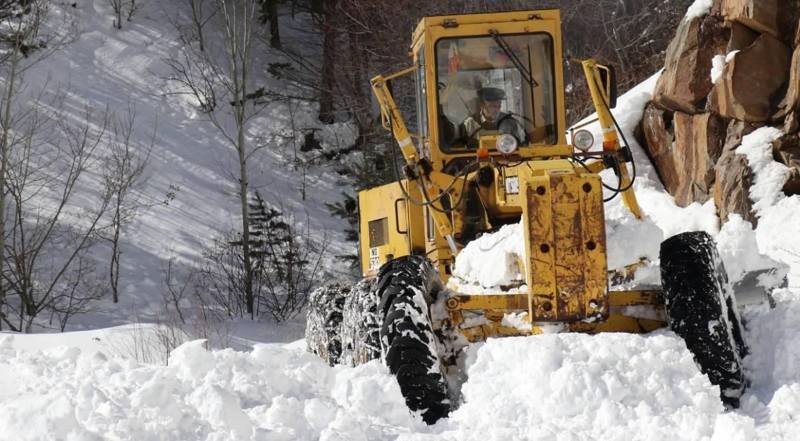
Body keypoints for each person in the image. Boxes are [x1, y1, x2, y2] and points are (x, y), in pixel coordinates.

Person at [458, 87, 525, 148]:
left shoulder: (508, 122)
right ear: (482, 105)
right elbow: (459, 149)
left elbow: (519, 145)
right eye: (492, 106)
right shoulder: (469, 124)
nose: (496, 110)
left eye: (498, 106)